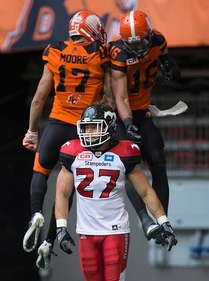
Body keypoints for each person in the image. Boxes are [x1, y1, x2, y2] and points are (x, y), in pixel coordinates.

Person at [21, 10, 112, 270]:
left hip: (56, 123)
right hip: (85, 130)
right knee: (66, 187)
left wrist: (32, 131)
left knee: (40, 172)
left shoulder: (55, 50)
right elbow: (108, 94)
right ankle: (50, 238)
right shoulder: (99, 54)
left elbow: (39, 97)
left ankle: (36, 213)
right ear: (90, 30)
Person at [54, 103, 177, 281]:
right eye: (86, 127)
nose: (88, 133)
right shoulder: (72, 152)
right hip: (86, 232)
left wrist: (164, 222)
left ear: (109, 127)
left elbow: (145, 192)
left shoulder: (125, 152)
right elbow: (62, 194)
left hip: (116, 231)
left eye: (94, 127)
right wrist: (61, 228)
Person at [108, 10, 181, 236]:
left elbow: (166, 59)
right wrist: (128, 123)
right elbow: (120, 97)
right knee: (130, 165)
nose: (138, 48)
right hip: (121, 114)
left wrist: (171, 67)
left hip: (142, 111)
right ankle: (145, 219)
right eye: (133, 44)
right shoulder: (118, 52)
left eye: (141, 43)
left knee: (158, 163)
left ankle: (163, 221)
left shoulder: (157, 40)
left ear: (148, 35)